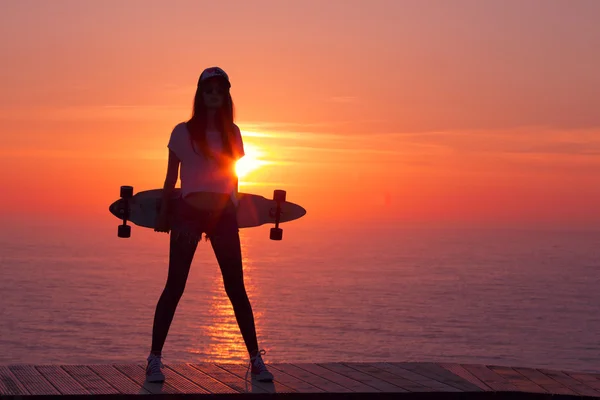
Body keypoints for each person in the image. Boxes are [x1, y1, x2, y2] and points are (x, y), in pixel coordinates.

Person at [145, 67, 274, 383]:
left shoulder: (233, 133)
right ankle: (154, 360)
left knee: (236, 288)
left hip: (223, 217)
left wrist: (234, 209)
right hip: (188, 213)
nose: (214, 94)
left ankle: (255, 360)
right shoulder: (182, 131)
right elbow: (171, 177)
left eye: (220, 89)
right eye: (208, 89)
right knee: (174, 286)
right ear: (200, 95)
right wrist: (163, 215)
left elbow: (232, 176)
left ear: (226, 95)